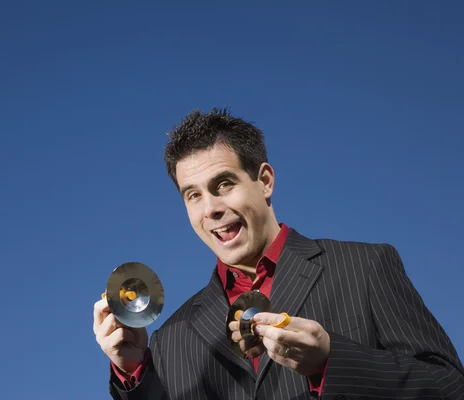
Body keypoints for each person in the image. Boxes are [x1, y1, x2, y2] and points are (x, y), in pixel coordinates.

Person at [93, 108, 464, 399]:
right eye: (193, 195)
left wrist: (331, 360)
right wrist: (134, 371)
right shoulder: (170, 338)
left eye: (223, 184)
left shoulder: (365, 267)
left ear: (265, 181)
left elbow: (450, 387)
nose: (211, 210)